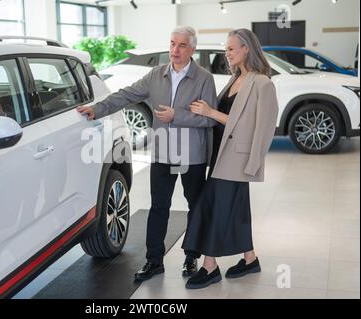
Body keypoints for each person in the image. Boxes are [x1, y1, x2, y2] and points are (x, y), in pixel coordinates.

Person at [77, 26, 218, 281]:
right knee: (159, 207)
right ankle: (154, 261)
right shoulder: (156, 75)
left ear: (192, 49)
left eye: (182, 45)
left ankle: (192, 257)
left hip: (192, 155)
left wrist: (178, 116)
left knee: (195, 207)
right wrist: (97, 108)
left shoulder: (204, 79)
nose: (175, 50)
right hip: (163, 153)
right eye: (172, 43)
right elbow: (126, 95)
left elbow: (209, 120)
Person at [181, 28, 279, 289]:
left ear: (247, 48)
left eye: (232, 48)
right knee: (236, 209)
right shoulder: (235, 79)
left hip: (237, 159)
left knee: (211, 206)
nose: (227, 53)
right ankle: (250, 259)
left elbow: (259, 127)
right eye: (227, 49)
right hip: (219, 154)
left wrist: (211, 112)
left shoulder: (262, 83)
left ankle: (210, 266)